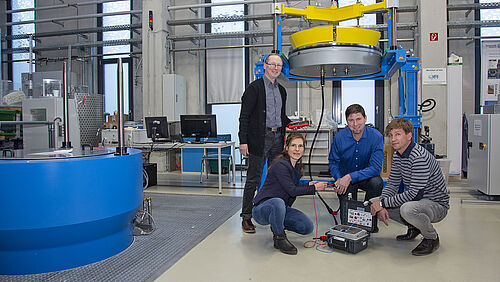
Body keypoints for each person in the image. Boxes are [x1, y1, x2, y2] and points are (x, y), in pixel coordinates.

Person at [369, 117, 450, 256]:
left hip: (436, 205)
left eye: (398, 134)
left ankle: (431, 238)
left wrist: (383, 203)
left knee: (408, 209)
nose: (393, 139)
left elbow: (414, 194)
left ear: (409, 135)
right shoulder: (398, 155)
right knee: (372, 202)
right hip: (418, 201)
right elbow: (393, 184)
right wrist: (380, 202)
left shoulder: (418, 157)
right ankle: (414, 227)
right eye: (391, 135)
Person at [238, 53, 292, 233]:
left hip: (277, 138)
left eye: (279, 65)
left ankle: (274, 212)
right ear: (265, 66)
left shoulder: (282, 90)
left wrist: (292, 125)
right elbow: (244, 117)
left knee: (277, 177)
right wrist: (243, 141)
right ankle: (246, 217)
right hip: (259, 139)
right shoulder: (254, 89)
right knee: (253, 179)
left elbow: (281, 117)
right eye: (272, 64)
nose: (276, 68)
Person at [252, 132, 328, 255]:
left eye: (300, 146)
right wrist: (314, 189)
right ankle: (279, 237)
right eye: (293, 145)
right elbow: (292, 190)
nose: (297, 149)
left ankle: (277, 226)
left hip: (280, 208)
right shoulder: (281, 164)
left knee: (307, 226)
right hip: (262, 209)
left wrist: (308, 185)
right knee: (278, 202)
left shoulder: (296, 168)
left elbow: (291, 188)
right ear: (287, 148)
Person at [328, 104, 384, 203]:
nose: (355, 124)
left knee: (377, 183)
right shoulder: (339, 138)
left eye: (358, 119)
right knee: (347, 214)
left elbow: (375, 168)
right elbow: (333, 162)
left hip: (367, 178)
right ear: (347, 121)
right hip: (345, 179)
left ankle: (369, 211)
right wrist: (339, 179)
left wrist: (350, 177)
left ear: (365, 118)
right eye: (351, 120)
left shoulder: (376, 137)